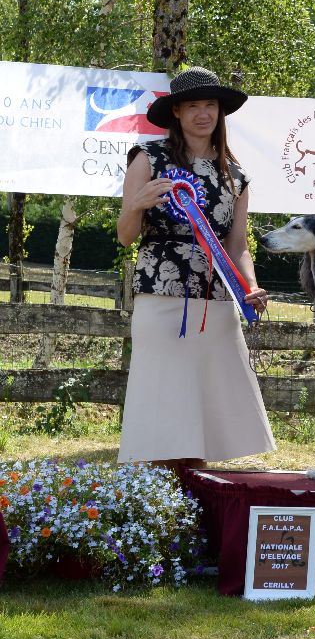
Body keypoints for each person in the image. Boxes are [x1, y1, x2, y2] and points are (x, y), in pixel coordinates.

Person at [116, 66, 276, 475]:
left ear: (220, 113)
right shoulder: (148, 159)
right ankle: (157, 497)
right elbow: (124, 236)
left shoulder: (236, 175)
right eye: (193, 107)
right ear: (177, 113)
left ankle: (198, 490)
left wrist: (250, 287)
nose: (203, 114)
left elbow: (237, 245)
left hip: (216, 297)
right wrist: (138, 204)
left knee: (204, 403)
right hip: (159, 293)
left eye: (210, 106)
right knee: (162, 396)